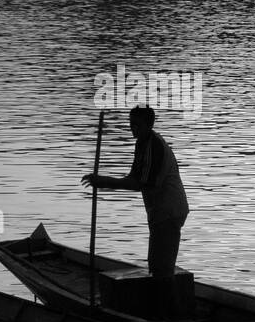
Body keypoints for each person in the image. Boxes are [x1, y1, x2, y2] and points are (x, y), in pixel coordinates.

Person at [81, 106, 189, 281]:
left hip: (169, 211)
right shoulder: (141, 143)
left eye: (136, 124)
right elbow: (133, 177)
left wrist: (103, 181)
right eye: (131, 124)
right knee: (155, 265)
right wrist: (103, 182)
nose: (132, 128)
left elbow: (139, 184)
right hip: (158, 211)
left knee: (163, 269)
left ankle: (168, 306)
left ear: (148, 125)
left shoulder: (154, 146)